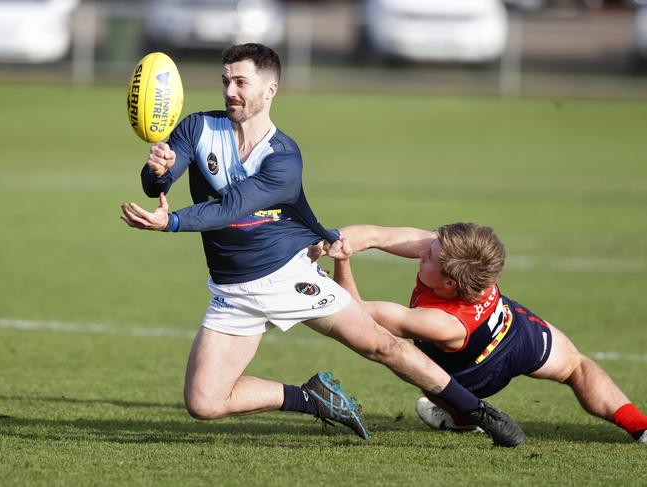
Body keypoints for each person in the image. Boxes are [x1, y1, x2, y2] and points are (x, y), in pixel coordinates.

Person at [119, 43, 524, 446]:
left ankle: (478, 412)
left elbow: (231, 208)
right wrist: (159, 171)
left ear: (270, 89)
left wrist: (171, 222)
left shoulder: (284, 158)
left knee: (381, 346)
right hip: (232, 288)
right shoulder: (198, 127)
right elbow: (157, 182)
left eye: (241, 82)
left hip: (286, 275)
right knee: (204, 402)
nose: (230, 91)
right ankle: (312, 398)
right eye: (225, 81)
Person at [331, 222, 647, 444]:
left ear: (449, 284)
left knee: (406, 356)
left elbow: (352, 313)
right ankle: (642, 428)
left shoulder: (439, 321)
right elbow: (374, 235)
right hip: (515, 330)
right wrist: (329, 239)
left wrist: (342, 261)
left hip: (478, 373)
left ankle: (460, 416)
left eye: (429, 256)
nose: (423, 251)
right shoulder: (468, 264)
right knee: (576, 366)